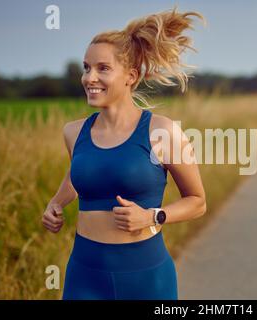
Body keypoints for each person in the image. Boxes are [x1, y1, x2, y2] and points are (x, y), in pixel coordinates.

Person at [41, 6, 207, 300]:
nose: (89, 78)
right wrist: (56, 203)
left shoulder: (162, 132)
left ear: (130, 76)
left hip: (147, 278)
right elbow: (82, 171)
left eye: (103, 68)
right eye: (86, 67)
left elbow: (197, 202)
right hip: (84, 275)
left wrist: (153, 216)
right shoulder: (73, 132)